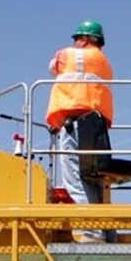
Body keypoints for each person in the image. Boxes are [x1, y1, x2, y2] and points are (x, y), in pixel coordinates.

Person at [45, 19, 113, 241]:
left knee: (74, 178)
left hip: (74, 124)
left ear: (83, 39)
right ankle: (103, 231)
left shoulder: (69, 55)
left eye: (76, 38)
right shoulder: (103, 62)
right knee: (91, 179)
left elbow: (52, 66)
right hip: (96, 125)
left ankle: (93, 231)